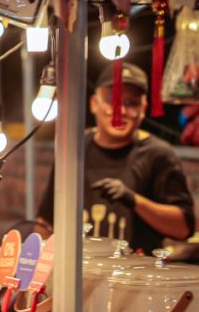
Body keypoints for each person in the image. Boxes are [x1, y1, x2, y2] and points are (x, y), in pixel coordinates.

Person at [36, 62, 195, 252]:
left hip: (136, 278)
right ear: (94, 104)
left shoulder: (159, 154)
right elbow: (45, 221)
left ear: (143, 108)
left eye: (131, 103)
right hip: (80, 273)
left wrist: (134, 200)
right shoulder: (72, 148)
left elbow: (183, 228)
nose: (121, 111)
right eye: (113, 101)